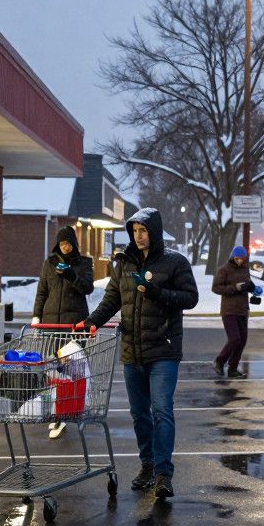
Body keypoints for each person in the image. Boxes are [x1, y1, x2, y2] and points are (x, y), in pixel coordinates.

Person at [79, 208, 198, 500]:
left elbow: (190, 298)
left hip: (164, 350)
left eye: (143, 230)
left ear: (154, 231)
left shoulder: (174, 262)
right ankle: (147, 465)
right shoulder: (124, 264)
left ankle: (163, 474)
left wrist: (158, 292)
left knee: (162, 411)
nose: (138, 236)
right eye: (134, 231)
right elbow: (111, 300)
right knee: (139, 415)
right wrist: (91, 321)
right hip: (132, 351)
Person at [31, 225, 94, 440]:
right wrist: (37, 317)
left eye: (68, 243)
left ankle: (62, 414)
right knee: (53, 371)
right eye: (61, 243)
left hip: (73, 326)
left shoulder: (83, 263)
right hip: (51, 326)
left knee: (70, 373)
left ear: (74, 243)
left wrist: (70, 275)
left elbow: (87, 287)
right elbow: (42, 291)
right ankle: (56, 412)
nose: (65, 247)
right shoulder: (49, 264)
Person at [212, 246, 258, 378]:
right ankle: (219, 362)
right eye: (237, 259)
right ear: (232, 257)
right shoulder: (224, 270)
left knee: (242, 340)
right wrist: (234, 288)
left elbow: (248, 283)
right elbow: (216, 288)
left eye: (242, 259)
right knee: (234, 339)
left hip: (242, 309)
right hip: (229, 310)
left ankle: (232, 368)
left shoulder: (245, 269)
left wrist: (251, 287)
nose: (239, 261)